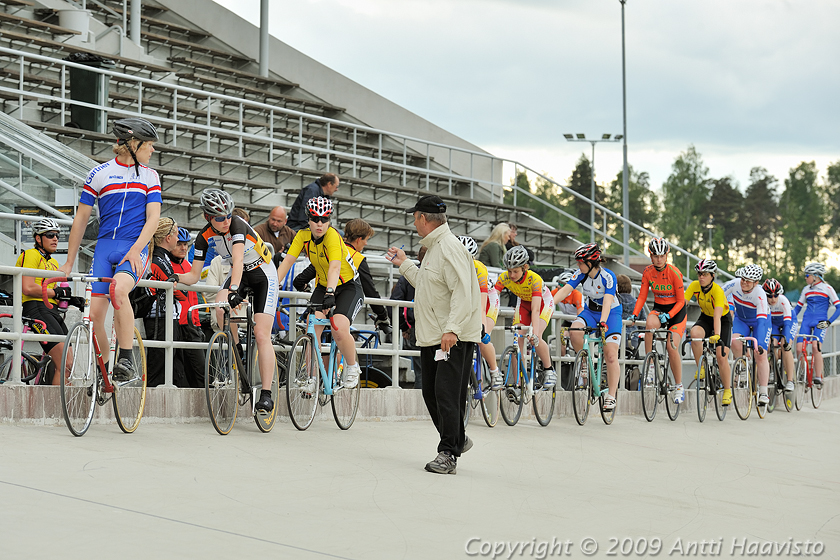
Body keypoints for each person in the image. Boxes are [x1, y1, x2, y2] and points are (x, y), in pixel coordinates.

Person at [60, 117, 161, 381]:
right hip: (105, 249)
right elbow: (81, 220)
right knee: (93, 318)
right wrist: (69, 262)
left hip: (134, 247)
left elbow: (153, 219)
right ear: (133, 144)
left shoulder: (150, 176)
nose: (152, 150)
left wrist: (136, 249)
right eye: (149, 145)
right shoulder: (99, 173)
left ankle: (126, 358)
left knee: (119, 289)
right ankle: (105, 369)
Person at [386, 195, 481, 475]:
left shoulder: (448, 248)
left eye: (415, 217)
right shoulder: (435, 249)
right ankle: (458, 439)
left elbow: (463, 292)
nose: (414, 222)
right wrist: (404, 264)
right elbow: (428, 286)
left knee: (447, 395)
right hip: (433, 335)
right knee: (431, 393)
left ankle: (448, 453)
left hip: (451, 335)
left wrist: (452, 329)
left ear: (423, 218)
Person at [177, 189, 279, 414]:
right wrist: (173, 279)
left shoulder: (238, 224)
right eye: (220, 218)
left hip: (263, 275)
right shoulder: (204, 237)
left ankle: (266, 395)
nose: (226, 221)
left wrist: (234, 289)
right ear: (207, 217)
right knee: (221, 310)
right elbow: (194, 276)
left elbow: (239, 258)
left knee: (262, 335)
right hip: (239, 274)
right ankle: (237, 348)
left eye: (228, 215)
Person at [276, 196, 364, 390]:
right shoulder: (303, 236)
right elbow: (288, 262)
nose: (319, 223)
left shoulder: (333, 236)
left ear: (329, 220)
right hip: (324, 286)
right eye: (315, 219)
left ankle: (352, 366)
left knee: (339, 328)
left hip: (347, 286)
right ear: (308, 219)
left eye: (324, 219)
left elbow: (334, 266)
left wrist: (330, 293)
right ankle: (311, 377)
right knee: (311, 328)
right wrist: (273, 285)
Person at [551, 243, 623, 411]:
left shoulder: (608, 276)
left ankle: (611, 396)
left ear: (591, 262)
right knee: (574, 331)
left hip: (611, 313)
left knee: (611, 355)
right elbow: (565, 290)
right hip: (590, 311)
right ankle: (584, 361)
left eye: (580, 262)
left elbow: (607, 301)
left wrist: (603, 322)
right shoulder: (581, 274)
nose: (578, 265)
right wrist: (549, 306)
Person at [293, 218, 392, 339]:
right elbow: (370, 292)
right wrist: (382, 316)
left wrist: (303, 287)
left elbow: (302, 278)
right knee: (339, 341)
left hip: (321, 303)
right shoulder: (357, 258)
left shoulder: (329, 248)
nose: (366, 244)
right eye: (366, 240)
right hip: (339, 307)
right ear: (359, 239)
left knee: (318, 346)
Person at [15, 218, 83, 385]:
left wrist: (70, 298)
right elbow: (28, 287)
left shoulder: (53, 263)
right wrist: (56, 291)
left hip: (52, 310)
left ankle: (65, 407)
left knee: (69, 366)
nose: (55, 239)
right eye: (50, 235)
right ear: (38, 238)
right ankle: (59, 410)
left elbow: (54, 293)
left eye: (57, 236)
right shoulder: (30, 255)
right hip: (35, 309)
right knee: (64, 364)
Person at [627, 237, 687, 404]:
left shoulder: (674, 273)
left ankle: (679, 385)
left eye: (662, 256)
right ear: (651, 256)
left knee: (671, 345)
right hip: (660, 307)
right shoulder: (648, 272)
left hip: (677, 312)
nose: (659, 260)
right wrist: (634, 313)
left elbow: (682, 301)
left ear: (667, 255)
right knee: (650, 324)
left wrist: (669, 315)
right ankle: (650, 366)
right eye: (655, 256)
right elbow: (642, 296)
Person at [494, 245, 557, 389]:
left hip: (542, 304)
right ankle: (518, 384)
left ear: (525, 268)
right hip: (523, 304)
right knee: (518, 340)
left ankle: (549, 370)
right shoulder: (504, 278)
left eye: (515, 271)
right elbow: (492, 298)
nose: (511, 275)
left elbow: (535, 310)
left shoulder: (534, 279)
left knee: (536, 337)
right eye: (509, 271)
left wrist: (534, 333)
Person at [141, 217, 188, 387]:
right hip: (160, 320)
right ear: (168, 238)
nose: (178, 240)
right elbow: (181, 293)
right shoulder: (159, 259)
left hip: (164, 318)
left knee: (172, 367)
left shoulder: (160, 257)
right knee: (158, 368)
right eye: (176, 235)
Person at [684, 259, 732, 405]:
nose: (701, 277)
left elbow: (717, 315)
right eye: (699, 274)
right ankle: (702, 367)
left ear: (712, 275)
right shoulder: (694, 286)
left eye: (704, 274)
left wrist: (717, 335)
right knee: (695, 334)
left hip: (722, 319)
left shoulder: (717, 290)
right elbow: (682, 305)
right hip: (705, 317)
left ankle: (728, 390)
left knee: (721, 355)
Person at [723, 264, 771, 405]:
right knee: (733, 341)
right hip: (741, 320)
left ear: (756, 283)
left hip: (759, 321)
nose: (744, 282)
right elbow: (717, 295)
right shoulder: (734, 284)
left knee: (760, 353)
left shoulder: (760, 295)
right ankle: (742, 366)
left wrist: (760, 344)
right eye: (743, 279)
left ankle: (763, 392)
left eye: (748, 281)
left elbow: (761, 323)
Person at [458, 236, 502, 388]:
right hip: (470, 300)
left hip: (489, 300)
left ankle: (495, 371)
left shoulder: (480, 269)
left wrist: (482, 328)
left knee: (480, 338)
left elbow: (482, 307)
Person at [792, 262, 840, 386]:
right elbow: (797, 308)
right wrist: (788, 319)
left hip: (820, 321)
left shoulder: (827, 288)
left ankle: (818, 377)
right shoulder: (806, 289)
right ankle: (803, 373)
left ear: (815, 276)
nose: (805, 278)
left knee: (815, 347)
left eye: (807, 275)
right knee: (798, 348)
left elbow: (838, 307)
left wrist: (828, 322)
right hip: (807, 321)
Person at [171, 227, 206, 388]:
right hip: (176, 324)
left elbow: (193, 299)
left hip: (192, 325)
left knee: (200, 372)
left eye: (186, 244)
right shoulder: (167, 265)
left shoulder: (189, 266)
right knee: (178, 372)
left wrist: (197, 324)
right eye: (179, 244)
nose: (183, 248)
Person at [390, 246, 427, 390]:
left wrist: (404, 327)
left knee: (421, 372)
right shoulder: (442, 273)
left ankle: (421, 408)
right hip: (439, 327)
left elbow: (393, 304)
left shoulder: (407, 275)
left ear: (418, 257)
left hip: (417, 327)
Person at [762, 278, 795, 393]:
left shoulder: (783, 301)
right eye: (769, 296)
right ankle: (772, 370)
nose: (773, 299)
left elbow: (787, 324)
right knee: (770, 344)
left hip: (788, 321)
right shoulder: (763, 302)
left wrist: (785, 341)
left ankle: (790, 380)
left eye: (776, 295)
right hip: (773, 322)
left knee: (785, 347)